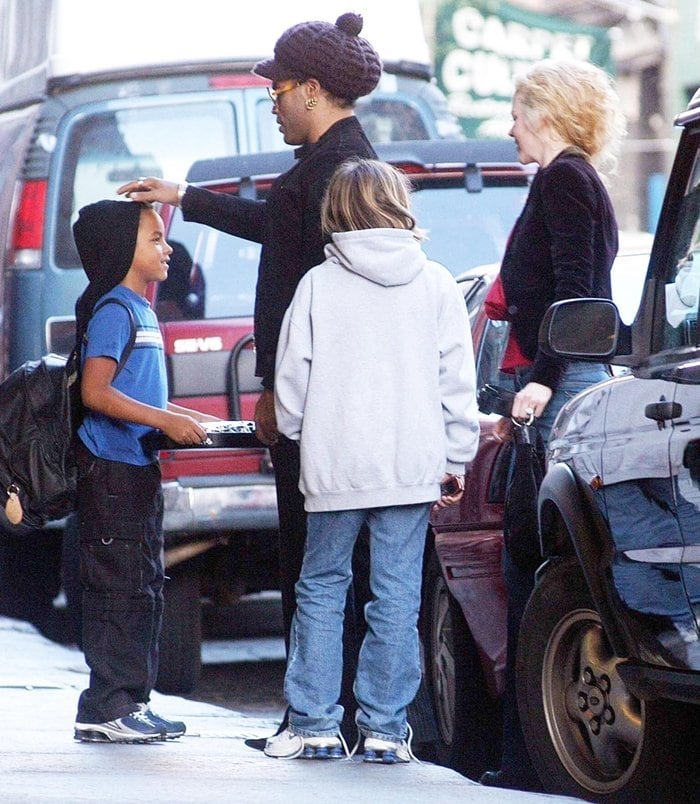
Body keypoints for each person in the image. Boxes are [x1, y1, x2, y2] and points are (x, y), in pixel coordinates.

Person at [117, 12, 382, 741]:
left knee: (316, 567)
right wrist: (183, 197)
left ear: (313, 90)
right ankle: (353, 719)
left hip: (318, 403)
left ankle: (318, 718)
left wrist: (275, 391)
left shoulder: (331, 173)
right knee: (352, 570)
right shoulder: (343, 166)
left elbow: (302, 301)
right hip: (340, 399)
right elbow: (274, 229)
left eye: (279, 87)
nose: (271, 99)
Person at [263, 158, 479, 762]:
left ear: (336, 213)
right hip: (410, 465)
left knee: (323, 589)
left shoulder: (317, 285)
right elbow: (454, 382)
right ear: (399, 205)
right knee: (396, 596)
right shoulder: (435, 282)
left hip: (336, 466)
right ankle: (385, 730)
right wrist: (456, 455)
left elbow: (291, 382)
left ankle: (314, 725)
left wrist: (305, 433)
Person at [479, 59, 625, 791]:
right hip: (557, 382)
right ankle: (529, 756)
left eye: (516, 111)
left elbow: (577, 292)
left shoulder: (564, 179)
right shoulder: (569, 180)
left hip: (561, 388)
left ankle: (532, 761)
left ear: (548, 111)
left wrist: (537, 381)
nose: (510, 126)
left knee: (534, 563)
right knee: (529, 562)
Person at [72, 200, 217, 743]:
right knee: (119, 590)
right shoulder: (115, 310)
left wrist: (193, 421)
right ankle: (106, 706)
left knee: (144, 586)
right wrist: (162, 419)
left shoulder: (141, 309)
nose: (167, 248)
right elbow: (96, 392)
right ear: (122, 251)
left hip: (137, 470)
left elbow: (143, 394)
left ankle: (131, 701)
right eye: (155, 239)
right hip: (110, 473)